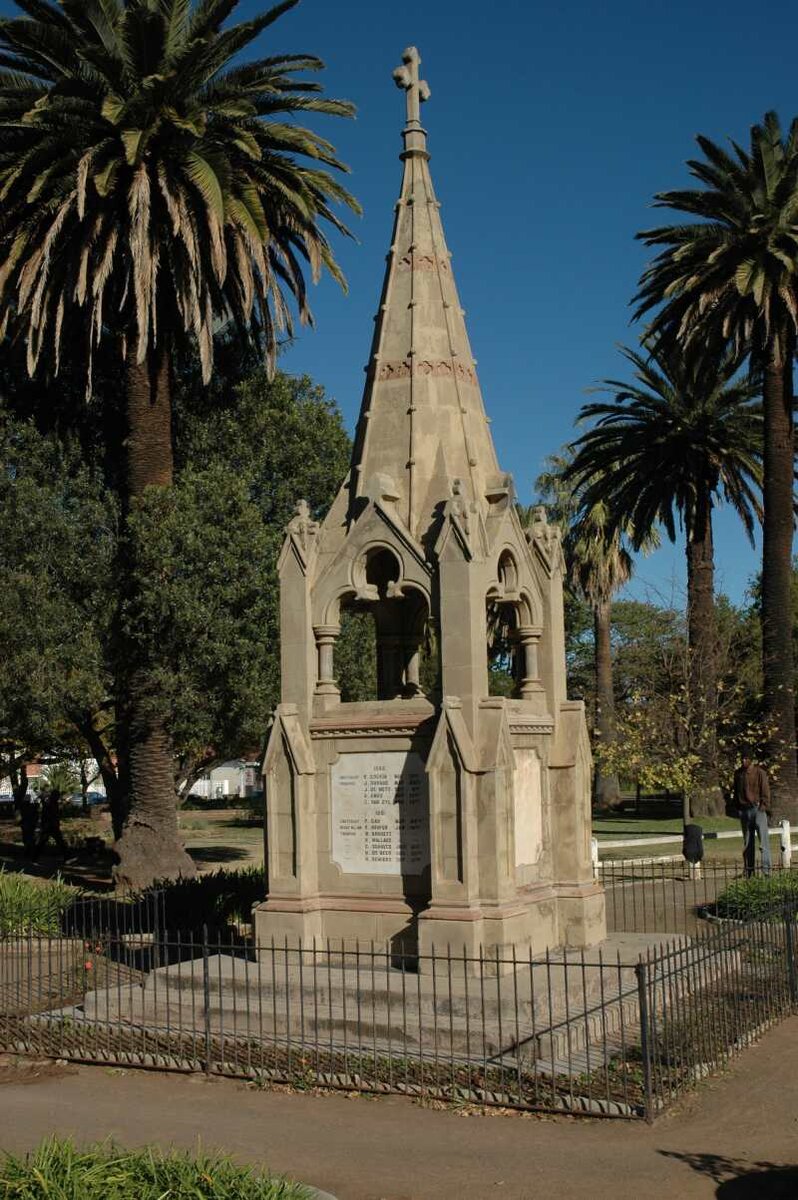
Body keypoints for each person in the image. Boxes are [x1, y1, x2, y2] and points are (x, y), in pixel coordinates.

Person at [733, 749, 772, 877]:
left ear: (751, 760)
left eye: (746, 758)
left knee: (764, 843)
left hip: (757, 810)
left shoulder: (760, 773)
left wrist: (762, 807)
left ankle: (767, 872)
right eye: (742, 758)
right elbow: (736, 792)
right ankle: (749, 872)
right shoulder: (738, 774)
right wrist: (738, 808)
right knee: (748, 843)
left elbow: (765, 792)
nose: (743, 761)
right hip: (744, 811)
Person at [34, 788, 68, 861]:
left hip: (49, 826)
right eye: (58, 796)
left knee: (43, 842)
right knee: (59, 842)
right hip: (51, 826)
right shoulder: (52, 803)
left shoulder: (50, 802)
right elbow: (52, 814)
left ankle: (35, 856)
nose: (58, 797)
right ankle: (66, 856)